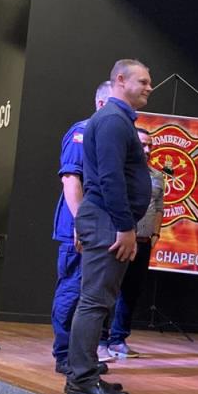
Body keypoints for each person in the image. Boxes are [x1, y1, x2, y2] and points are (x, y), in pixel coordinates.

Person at [64, 59, 154, 394]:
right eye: (143, 81)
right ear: (120, 80)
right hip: (107, 220)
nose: (149, 87)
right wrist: (125, 227)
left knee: (97, 300)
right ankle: (82, 378)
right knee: (94, 301)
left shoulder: (115, 119)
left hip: (104, 218)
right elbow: (110, 178)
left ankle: (84, 372)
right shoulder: (114, 120)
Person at [50, 81, 114, 376]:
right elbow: (71, 180)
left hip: (103, 229)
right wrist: (81, 223)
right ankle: (65, 355)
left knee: (95, 296)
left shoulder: (109, 137)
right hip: (79, 229)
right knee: (73, 291)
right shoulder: (83, 132)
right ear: (101, 104)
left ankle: (83, 356)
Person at [105, 128, 166, 359]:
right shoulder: (120, 171)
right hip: (118, 239)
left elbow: (159, 207)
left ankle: (118, 339)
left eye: (150, 145)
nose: (147, 149)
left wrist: (155, 233)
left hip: (143, 241)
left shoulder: (157, 176)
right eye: (142, 144)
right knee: (108, 289)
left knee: (131, 292)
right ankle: (100, 339)